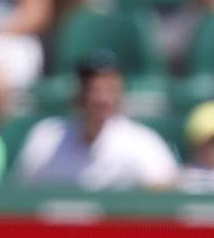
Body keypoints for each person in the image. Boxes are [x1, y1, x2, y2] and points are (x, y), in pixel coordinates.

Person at [14, 52, 179, 188]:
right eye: (94, 90)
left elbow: (164, 188)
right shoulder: (46, 137)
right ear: (79, 95)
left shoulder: (142, 142)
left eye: (110, 91)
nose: (102, 100)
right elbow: (24, 191)